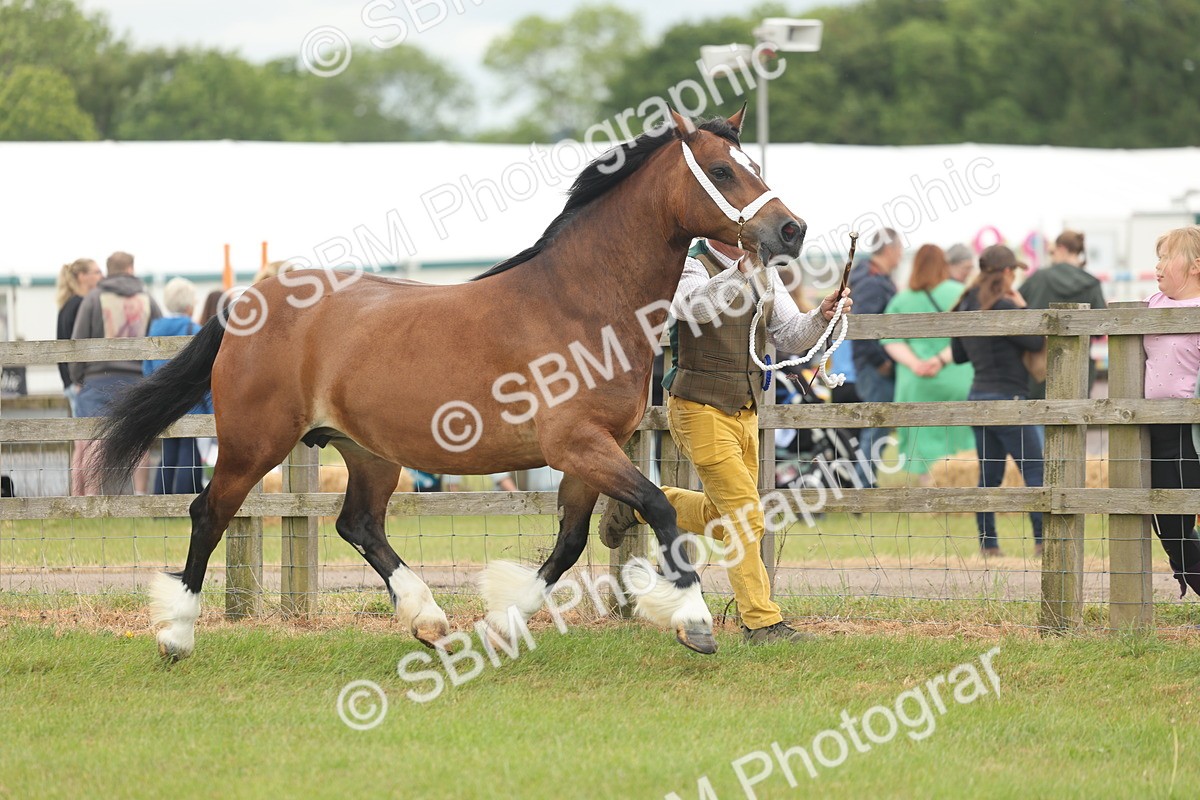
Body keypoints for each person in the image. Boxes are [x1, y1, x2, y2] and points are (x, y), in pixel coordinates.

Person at [600, 237, 851, 645]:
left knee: (729, 514)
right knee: (745, 518)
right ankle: (761, 622)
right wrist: (740, 273)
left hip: (746, 412)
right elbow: (694, 309)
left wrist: (822, 317)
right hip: (698, 407)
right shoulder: (689, 261)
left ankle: (647, 502)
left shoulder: (763, 270)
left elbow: (788, 335)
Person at [951, 244, 1045, 557]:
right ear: (1006, 272)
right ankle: (1044, 542)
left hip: (978, 397)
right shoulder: (1004, 304)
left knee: (988, 476)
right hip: (1009, 398)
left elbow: (958, 355)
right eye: (1013, 272)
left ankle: (988, 545)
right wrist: (1023, 307)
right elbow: (1034, 339)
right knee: (1036, 472)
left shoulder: (965, 303)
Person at [70, 251, 162, 494]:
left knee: (91, 441)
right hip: (136, 379)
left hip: (97, 377)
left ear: (109, 270)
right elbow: (162, 339)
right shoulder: (147, 299)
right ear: (131, 269)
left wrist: (77, 377)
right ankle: (140, 495)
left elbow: (77, 342)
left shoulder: (94, 298)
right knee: (140, 440)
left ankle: (90, 497)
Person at [882, 244, 975, 484]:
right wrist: (939, 360)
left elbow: (890, 340)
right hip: (956, 376)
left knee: (922, 434)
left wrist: (916, 364)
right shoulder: (960, 292)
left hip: (916, 381)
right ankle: (962, 484)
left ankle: (929, 486)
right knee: (958, 432)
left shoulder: (901, 300)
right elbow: (969, 334)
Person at [1142, 225, 1200, 597]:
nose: (1159, 266)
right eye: (1158, 257)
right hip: (1153, 430)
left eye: (1167, 256)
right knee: (1167, 525)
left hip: (1191, 433)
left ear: (1196, 265)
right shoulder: (1150, 306)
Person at [1019, 230, 1107, 400]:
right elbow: (1099, 330)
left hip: (1038, 369)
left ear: (1061, 248)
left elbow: (1014, 311)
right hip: (1078, 369)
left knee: (1035, 422)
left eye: (1051, 252)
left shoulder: (1038, 278)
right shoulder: (1091, 284)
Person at [145, 278, 211, 494]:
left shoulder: (154, 329)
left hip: (162, 402)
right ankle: (184, 500)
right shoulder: (195, 329)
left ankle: (160, 499)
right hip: (190, 402)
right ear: (190, 305)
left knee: (168, 451)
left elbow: (146, 368)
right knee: (189, 451)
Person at [849, 228, 901, 483]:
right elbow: (863, 327)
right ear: (889, 250)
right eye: (899, 251)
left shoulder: (873, 278)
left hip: (872, 364)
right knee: (876, 423)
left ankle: (864, 482)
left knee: (878, 425)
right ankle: (862, 485)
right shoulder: (872, 281)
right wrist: (881, 362)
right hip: (874, 366)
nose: (900, 257)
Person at [55, 257, 103, 495]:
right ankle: (86, 496)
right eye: (95, 272)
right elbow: (77, 347)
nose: (100, 276)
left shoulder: (67, 304)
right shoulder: (80, 305)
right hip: (80, 384)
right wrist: (78, 381)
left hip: (72, 382)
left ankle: (78, 495)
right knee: (88, 442)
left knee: (80, 445)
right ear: (82, 276)